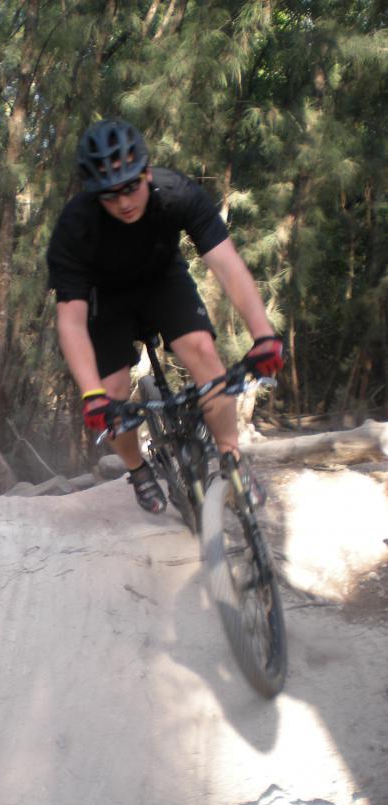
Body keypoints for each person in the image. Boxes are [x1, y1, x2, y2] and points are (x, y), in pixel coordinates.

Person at [47, 118, 284, 513]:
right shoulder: (75, 227)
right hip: (105, 299)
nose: (123, 202)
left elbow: (227, 265)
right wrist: (91, 395)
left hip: (161, 279)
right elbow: (71, 319)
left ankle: (233, 461)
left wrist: (263, 335)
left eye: (130, 186)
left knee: (204, 353)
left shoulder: (176, 193)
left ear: (146, 171)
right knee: (113, 396)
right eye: (109, 194)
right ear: (93, 194)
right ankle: (138, 469)